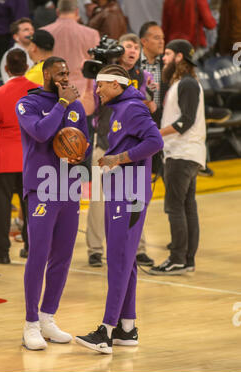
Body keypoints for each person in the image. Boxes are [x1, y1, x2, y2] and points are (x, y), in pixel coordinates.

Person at [75, 64, 164, 354]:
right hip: (123, 190)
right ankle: (127, 328)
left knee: (118, 259)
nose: (97, 91)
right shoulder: (122, 108)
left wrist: (120, 158)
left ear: (116, 84)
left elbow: (155, 141)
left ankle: (106, 331)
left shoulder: (133, 109)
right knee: (127, 260)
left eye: (100, 86)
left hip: (132, 192)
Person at [16, 56, 90, 350]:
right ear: (46, 74)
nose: (64, 77)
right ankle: (30, 324)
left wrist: (80, 158)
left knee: (63, 255)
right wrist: (60, 104)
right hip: (42, 188)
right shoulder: (28, 104)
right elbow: (42, 133)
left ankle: (48, 317)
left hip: (69, 187)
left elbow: (84, 141)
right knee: (39, 253)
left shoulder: (76, 105)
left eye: (67, 73)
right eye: (59, 73)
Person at [85, 33, 157, 268]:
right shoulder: (103, 77)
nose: (132, 50)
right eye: (127, 46)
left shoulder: (143, 76)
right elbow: (89, 105)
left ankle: (139, 248)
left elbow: (151, 112)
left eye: (136, 46)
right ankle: (95, 250)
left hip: (127, 156)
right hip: (104, 144)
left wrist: (150, 96)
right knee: (98, 201)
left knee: (134, 203)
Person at [149, 39, 206, 276]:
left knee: (175, 208)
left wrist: (156, 135)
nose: (164, 58)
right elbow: (169, 116)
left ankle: (178, 259)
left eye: (168, 53)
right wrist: (150, 105)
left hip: (181, 154)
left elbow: (186, 121)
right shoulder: (178, 84)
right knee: (186, 207)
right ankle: (187, 260)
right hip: (183, 153)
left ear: (180, 57)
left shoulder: (189, 84)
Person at [0, 49, 39, 265]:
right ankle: (32, 247)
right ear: (27, 67)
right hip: (30, 158)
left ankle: (0, 250)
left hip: (3, 159)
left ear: (6, 69)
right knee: (31, 207)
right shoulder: (38, 92)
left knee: (1, 207)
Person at [42, 0, 100, 96]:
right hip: (82, 93)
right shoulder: (92, 34)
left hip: (52, 92)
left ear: (57, 11)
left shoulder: (44, 33)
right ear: (77, 11)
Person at [0, 18, 35, 84]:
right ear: (16, 37)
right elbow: (7, 80)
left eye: (32, 29)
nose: (31, 32)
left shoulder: (37, 52)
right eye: (26, 30)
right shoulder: (9, 54)